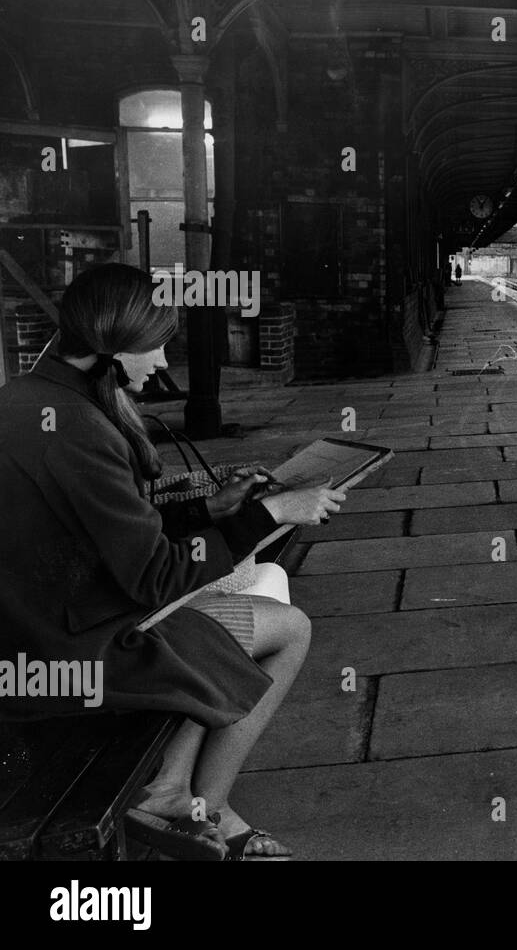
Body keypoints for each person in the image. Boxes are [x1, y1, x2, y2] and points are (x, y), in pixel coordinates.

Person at [0, 263, 345, 860]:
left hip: (46, 623)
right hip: (74, 648)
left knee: (251, 593)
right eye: (153, 347)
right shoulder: (78, 428)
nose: (160, 364)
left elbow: (108, 531)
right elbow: (155, 576)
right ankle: (201, 804)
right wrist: (274, 512)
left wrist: (213, 507)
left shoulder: (30, 398)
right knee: (289, 628)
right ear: (109, 350)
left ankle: (179, 792)